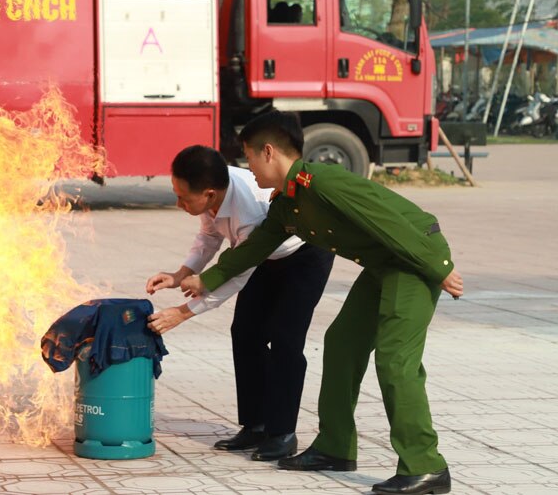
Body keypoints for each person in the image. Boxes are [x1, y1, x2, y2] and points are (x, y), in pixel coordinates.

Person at [180, 111, 463, 495]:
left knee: (395, 359)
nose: (247, 169)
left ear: (268, 152)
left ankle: (426, 465)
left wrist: (438, 267)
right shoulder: (286, 203)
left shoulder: (323, 182)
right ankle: (335, 447)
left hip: (413, 258)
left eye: (248, 158)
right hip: (384, 263)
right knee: (342, 342)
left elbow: (386, 221)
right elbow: (254, 249)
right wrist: (204, 279)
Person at [145, 145, 334, 461]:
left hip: (304, 256)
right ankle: (255, 425)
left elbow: (235, 277)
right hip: (260, 257)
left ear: (208, 194)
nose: (178, 204)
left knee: (285, 339)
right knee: (245, 332)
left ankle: (282, 432)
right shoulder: (215, 190)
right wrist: (180, 274)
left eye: (183, 198)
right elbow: (209, 236)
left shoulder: (250, 212)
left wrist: (182, 313)